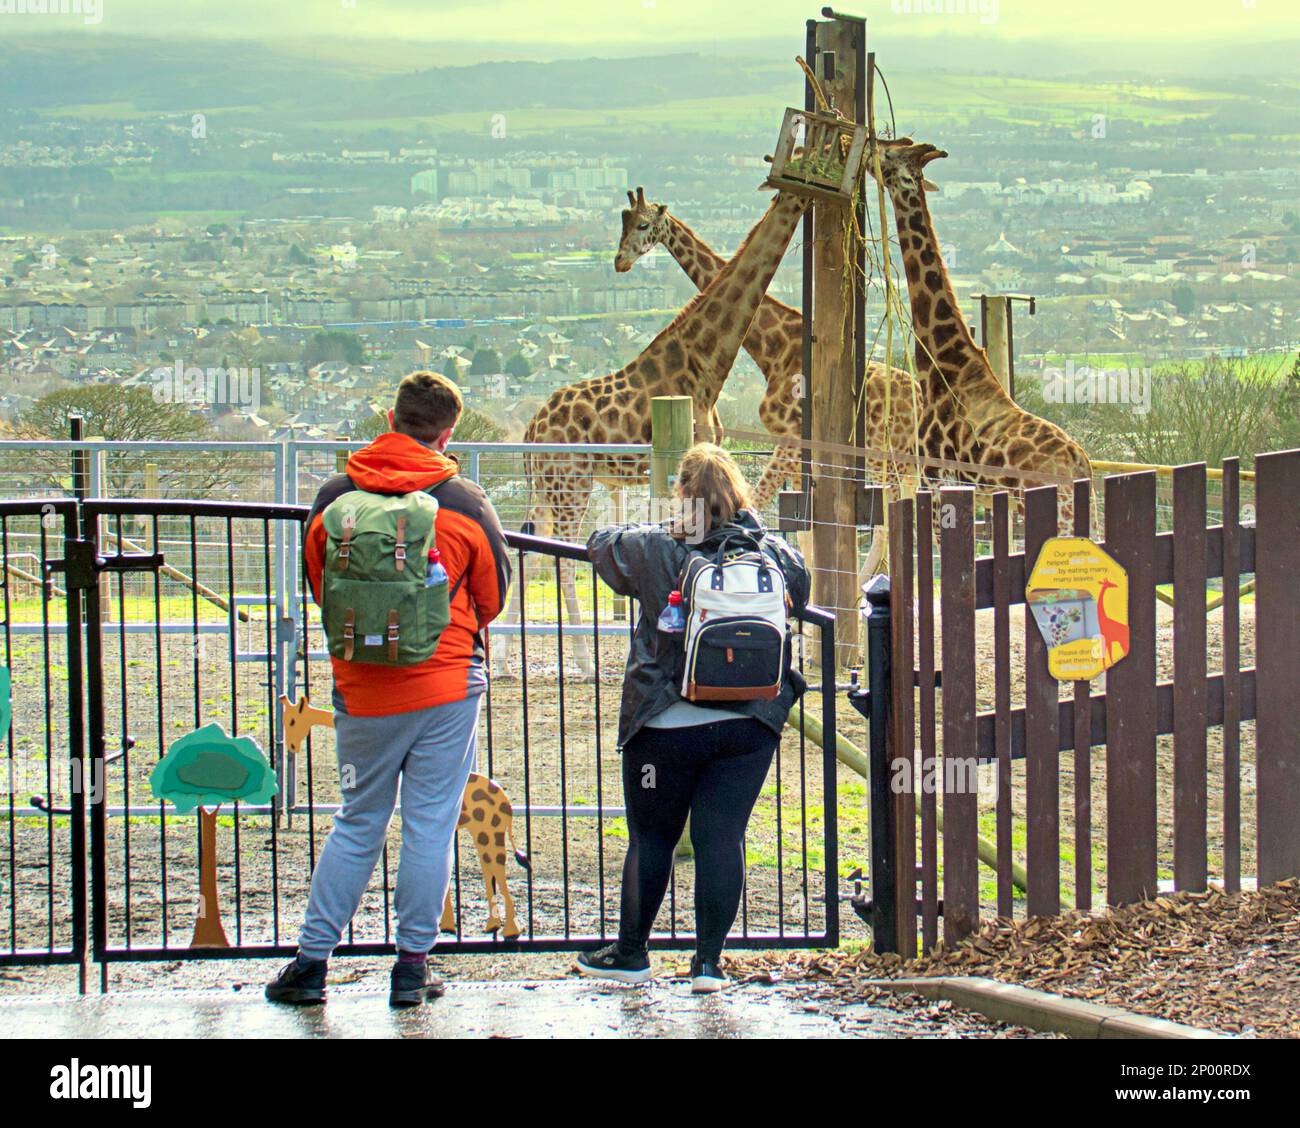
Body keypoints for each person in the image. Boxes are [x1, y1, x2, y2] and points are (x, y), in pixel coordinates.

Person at [266, 371, 511, 1008]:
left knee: (356, 821)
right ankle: (411, 968)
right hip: (447, 685)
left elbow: (323, 591)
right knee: (428, 827)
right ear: (448, 431)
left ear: (391, 417)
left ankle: (312, 964)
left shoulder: (334, 496)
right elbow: (493, 599)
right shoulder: (464, 502)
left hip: (361, 690)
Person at [578, 443, 810, 993]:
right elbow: (799, 588)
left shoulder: (656, 546)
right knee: (721, 836)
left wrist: (674, 524)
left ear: (683, 494)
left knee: (652, 837)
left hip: (664, 726)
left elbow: (599, 545)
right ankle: (708, 965)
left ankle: (632, 952)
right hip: (747, 724)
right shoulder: (770, 550)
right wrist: (749, 527)